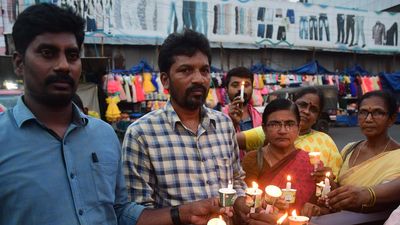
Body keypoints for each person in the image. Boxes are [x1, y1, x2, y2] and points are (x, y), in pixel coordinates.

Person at [0, 4, 228, 225]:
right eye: (48, 53)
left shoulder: (103, 135)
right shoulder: (4, 139)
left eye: (71, 55)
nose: (63, 66)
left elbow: (121, 211)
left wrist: (182, 214)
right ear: (19, 63)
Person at [122, 29, 249, 221]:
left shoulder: (224, 125)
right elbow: (136, 214)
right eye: (186, 70)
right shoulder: (141, 134)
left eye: (204, 70)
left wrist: (242, 203)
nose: (198, 79)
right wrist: (183, 215)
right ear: (165, 80)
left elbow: (236, 180)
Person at [237, 87, 343, 178]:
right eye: (302, 105)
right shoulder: (269, 131)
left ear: (317, 117)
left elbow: (334, 184)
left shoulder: (326, 142)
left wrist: (327, 179)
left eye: (313, 109)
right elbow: (230, 141)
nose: (306, 111)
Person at [325, 90, 400, 213]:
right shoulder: (349, 149)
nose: (368, 119)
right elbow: (340, 193)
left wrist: (365, 195)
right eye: (363, 112)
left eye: (378, 112)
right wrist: (327, 180)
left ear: (391, 119)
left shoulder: (397, 156)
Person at [242, 98, 319, 215]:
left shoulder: (311, 163)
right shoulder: (253, 159)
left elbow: (325, 205)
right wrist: (265, 202)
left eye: (289, 124)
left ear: (298, 128)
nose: (282, 131)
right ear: (264, 129)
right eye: (274, 124)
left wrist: (315, 208)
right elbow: (245, 202)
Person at [222, 66, 262, 159]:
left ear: (252, 88)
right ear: (226, 89)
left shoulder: (260, 118)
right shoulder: (218, 118)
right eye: (235, 85)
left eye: (246, 85)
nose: (240, 89)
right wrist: (232, 122)